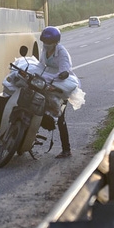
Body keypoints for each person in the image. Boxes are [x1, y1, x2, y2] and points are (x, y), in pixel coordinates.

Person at [39, 26, 76, 158]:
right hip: (48, 80)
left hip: (62, 84)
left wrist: (54, 83)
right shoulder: (44, 49)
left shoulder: (62, 53)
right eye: (45, 42)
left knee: (60, 118)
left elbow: (64, 71)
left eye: (49, 43)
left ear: (55, 43)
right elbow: (40, 65)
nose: (46, 45)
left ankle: (67, 149)